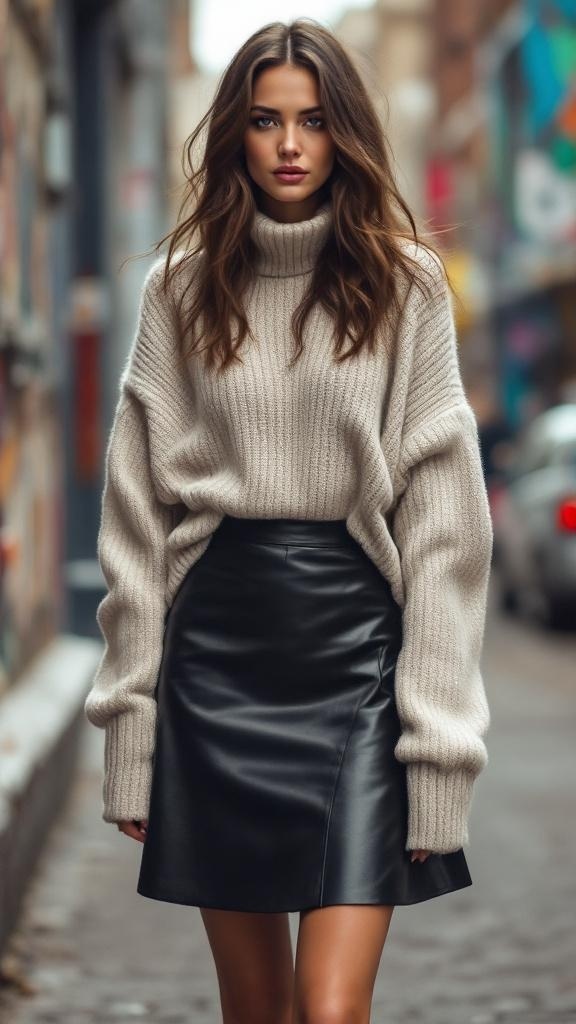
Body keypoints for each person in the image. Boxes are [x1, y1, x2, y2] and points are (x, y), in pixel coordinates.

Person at [84, 18, 493, 1024]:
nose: (291, 143)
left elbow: (444, 534)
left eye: (313, 120)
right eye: (265, 120)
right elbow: (136, 529)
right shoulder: (176, 288)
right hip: (215, 665)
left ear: (346, 130)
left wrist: (437, 747)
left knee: (331, 1008)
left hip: (356, 663)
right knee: (257, 1012)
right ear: (236, 134)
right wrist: (131, 734)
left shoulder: (405, 287)